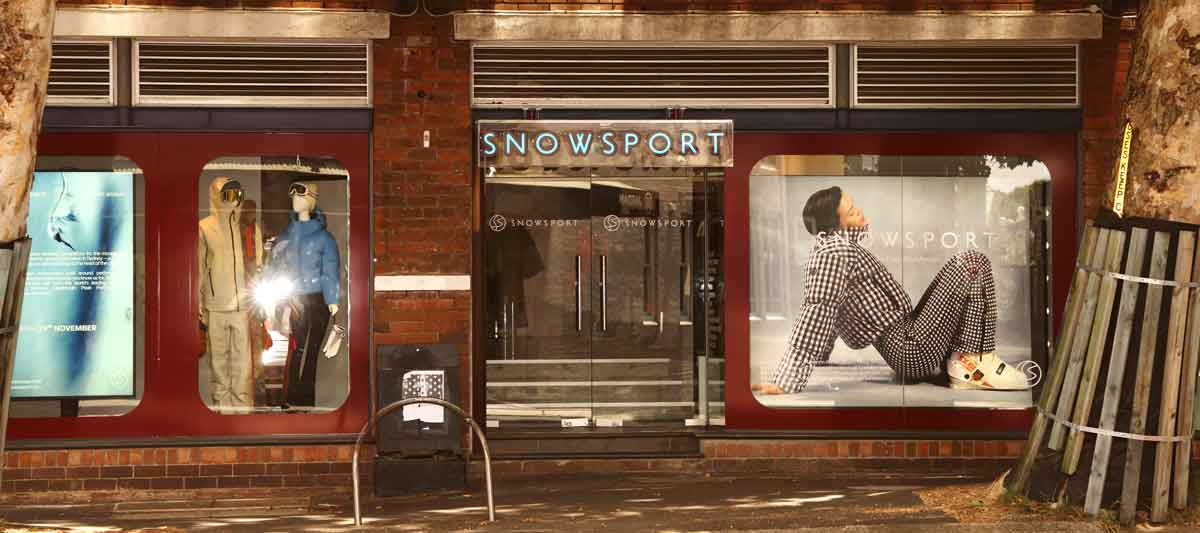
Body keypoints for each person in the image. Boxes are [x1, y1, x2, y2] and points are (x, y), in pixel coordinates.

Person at [754, 186, 1034, 394]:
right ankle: (973, 361)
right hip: (910, 347)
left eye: (855, 206)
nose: (859, 212)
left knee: (965, 266)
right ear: (835, 226)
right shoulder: (835, 252)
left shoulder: (838, 249)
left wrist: (823, 356)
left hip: (909, 339)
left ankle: (968, 359)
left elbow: (831, 310)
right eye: (851, 212)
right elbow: (818, 312)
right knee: (973, 262)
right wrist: (787, 381)